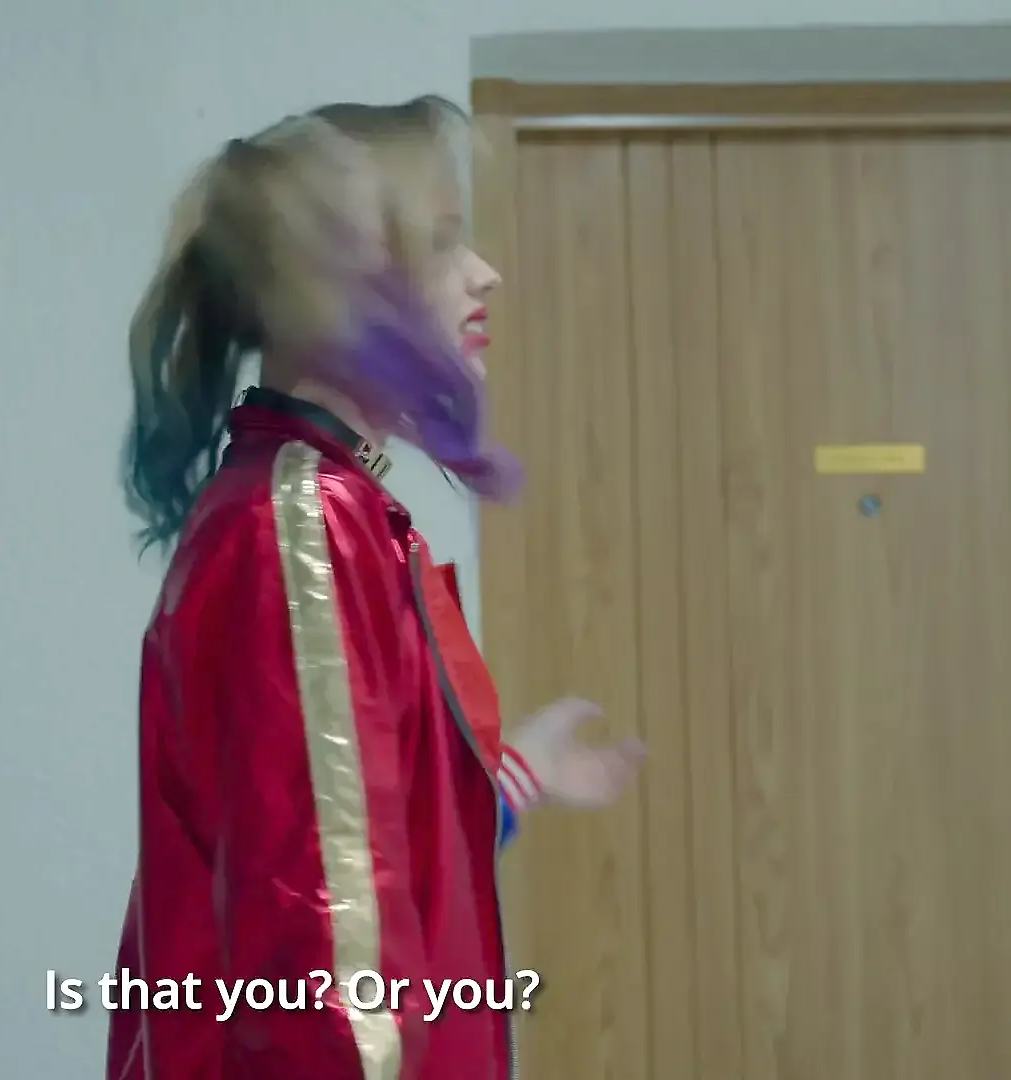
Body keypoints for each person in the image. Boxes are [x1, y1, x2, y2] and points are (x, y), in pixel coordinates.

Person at [108, 96, 647, 1080]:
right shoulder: (303, 527)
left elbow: (358, 853)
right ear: (335, 293)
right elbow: (326, 965)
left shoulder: (320, 509)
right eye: (440, 242)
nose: (484, 273)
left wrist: (513, 778)